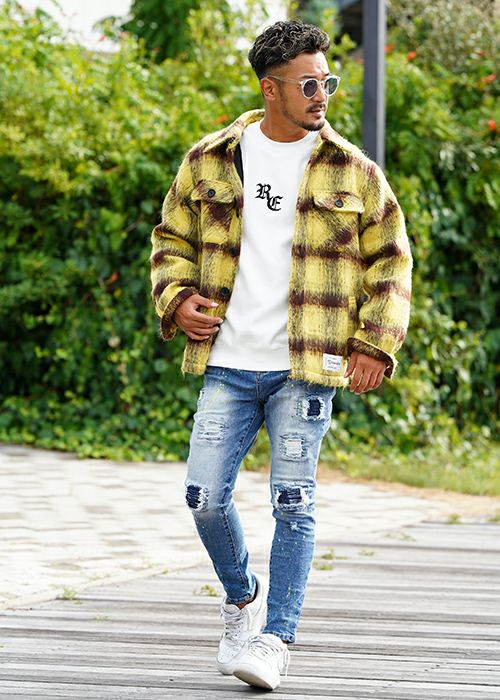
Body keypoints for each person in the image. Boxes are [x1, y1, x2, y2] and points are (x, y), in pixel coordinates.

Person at [150, 19, 412, 691]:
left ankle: (276, 638)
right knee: (204, 495)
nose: (322, 94)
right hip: (229, 363)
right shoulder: (210, 160)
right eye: (308, 84)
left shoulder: (354, 170)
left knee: (294, 502)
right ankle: (244, 599)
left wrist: (375, 343)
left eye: (327, 81)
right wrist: (176, 298)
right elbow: (170, 239)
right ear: (271, 89)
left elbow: (391, 262)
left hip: (307, 366)